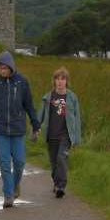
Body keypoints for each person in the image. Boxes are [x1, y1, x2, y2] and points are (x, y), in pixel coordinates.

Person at [0, 51, 40, 208]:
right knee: (4, 163)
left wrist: (35, 124)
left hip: (17, 130)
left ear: (11, 67)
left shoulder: (22, 82)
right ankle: (8, 195)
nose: (1, 71)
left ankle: (15, 185)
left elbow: (29, 105)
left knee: (20, 162)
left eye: (4, 68)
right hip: (0, 130)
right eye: (0, 68)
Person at [37, 67, 82, 199]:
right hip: (51, 135)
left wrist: (77, 138)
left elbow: (77, 118)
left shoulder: (72, 97)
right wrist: (35, 128)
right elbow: (40, 114)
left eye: (63, 79)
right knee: (53, 162)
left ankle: (61, 186)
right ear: (54, 81)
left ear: (67, 81)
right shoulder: (48, 97)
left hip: (65, 135)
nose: (60, 81)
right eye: (57, 79)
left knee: (61, 159)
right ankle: (56, 183)